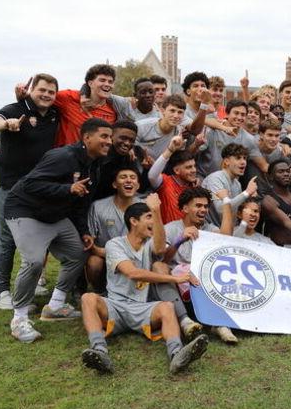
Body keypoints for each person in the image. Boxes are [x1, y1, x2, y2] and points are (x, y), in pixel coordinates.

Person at [4, 118, 112, 342]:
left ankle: (55, 306)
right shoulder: (63, 156)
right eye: (104, 136)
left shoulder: (96, 164)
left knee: (78, 252)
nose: (108, 141)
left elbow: (81, 202)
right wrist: (67, 188)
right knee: (33, 262)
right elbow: (30, 184)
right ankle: (19, 319)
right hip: (26, 210)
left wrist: (83, 230)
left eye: (109, 137)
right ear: (86, 137)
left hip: (55, 214)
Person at [80, 199, 209, 374]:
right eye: (148, 217)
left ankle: (177, 354)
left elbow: (160, 249)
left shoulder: (150, 243)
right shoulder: (115, 244)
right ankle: (99, 351)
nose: (153, 222)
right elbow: (132, 273)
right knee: (88, 298)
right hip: (116, 306)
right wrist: (174, 279)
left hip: (143, 308)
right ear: (134, 221)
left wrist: (156, 211)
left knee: (167, 307)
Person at [0, 73, 60, 309]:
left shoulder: (56, 113)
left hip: (36, 186)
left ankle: (33, 281)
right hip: (9, 184)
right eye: (42, 90)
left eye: (51, 92)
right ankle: (1, 291)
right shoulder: (16, 108)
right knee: (8, 237)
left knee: (37, 235)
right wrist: (6, 123)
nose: (46, 95)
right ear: (31, 90)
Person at [162, 186, 236, 344]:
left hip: (207, 281)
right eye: (198, 205)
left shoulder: (209, 229)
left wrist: (226, 202)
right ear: (185, 208)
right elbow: (163, 260)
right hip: (181, 285)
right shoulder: (169, 229)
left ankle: (219, 323)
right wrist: (180, 239)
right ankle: (190, 321)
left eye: (206, 206)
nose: (203, 209)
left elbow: (226, 239)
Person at [85, 165, 143, 293]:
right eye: (123, 177)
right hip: (104, 257)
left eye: (133, 177)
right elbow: (91, 243)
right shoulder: (98, 207)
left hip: (135, 259)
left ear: (138, 185)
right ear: (114, 184)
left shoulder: (145, 208)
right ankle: (100, 292)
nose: (128, 180)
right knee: (94, 263)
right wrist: (110, 254)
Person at [192, 99, 265, 177]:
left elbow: (263, 165)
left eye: (243, 114)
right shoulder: (212, 130)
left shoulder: (249, 139)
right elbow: (192, 155)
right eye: (236, 113)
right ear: (227, 114)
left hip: (231, 183)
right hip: (205, 179)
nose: (239, 117)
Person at [50, 64, 119, 147]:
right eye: (102, 80)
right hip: (67, 157)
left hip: (95, 158)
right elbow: (43, 97)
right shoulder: (69, 98)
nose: (107, 84)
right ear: (90, 83)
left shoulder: (113, 111)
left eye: (110, 82)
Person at [202, 143, 259, 227]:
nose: (243, 162)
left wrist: (249, 197)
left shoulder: (237, 184)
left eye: (244, 158)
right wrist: (246, 193)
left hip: (227, 231)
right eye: (238, 158)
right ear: (226, 161)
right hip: (209, 230)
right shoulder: (214, 179)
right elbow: (221, 209)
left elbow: (234, 214)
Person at [95, 120, 152, 200]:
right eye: (123, 138)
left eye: (131, 140)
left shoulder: (129, 159)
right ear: (111, 136)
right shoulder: (98, 155)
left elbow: (140, 188)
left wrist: (146, 170)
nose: (127, 143)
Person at [148, 136, 199, 223]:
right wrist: (170, 150)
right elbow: (152, 176)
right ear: (176, 170)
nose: (194, 170)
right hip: (167, 234)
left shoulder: (194, 187)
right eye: (189, 167)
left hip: (189, 233)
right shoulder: (165, 181)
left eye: (194, 166)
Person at [136, 94, 195, 160]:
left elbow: (177, 160)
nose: (176, 116)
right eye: (172, 111)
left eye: (180, 112)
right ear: (163, 111)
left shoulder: (180, 134)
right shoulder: (141, 126)